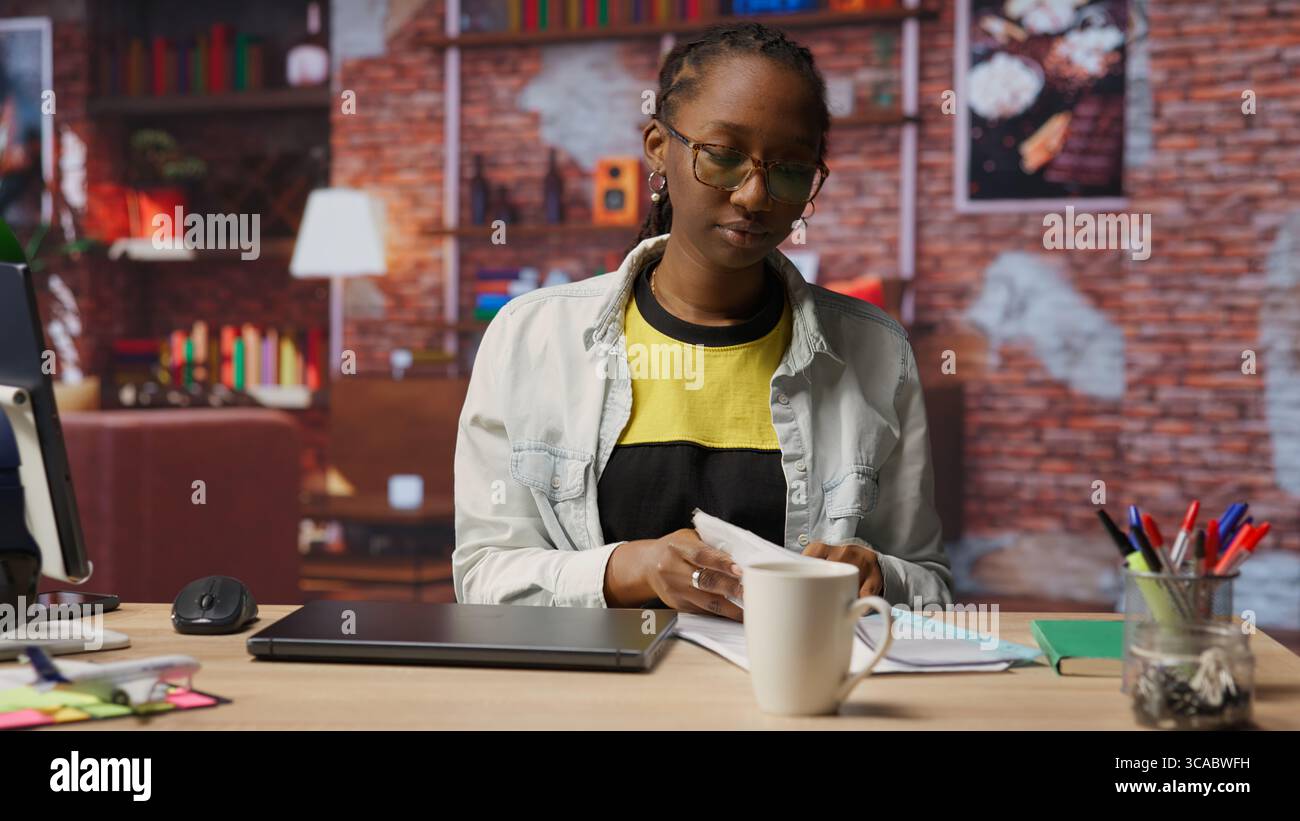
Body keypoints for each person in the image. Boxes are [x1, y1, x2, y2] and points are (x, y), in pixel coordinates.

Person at [453, 22, 953, 620]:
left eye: (791, 168)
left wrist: (880, 576)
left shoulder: (877, 351)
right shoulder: (530, 337)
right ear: (659, 147)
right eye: (722, 156)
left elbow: (932, 588)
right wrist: (628, 569)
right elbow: (483, 576)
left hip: (791, 705)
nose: (754, 196)